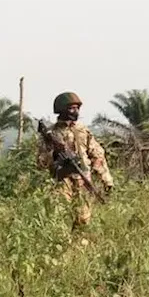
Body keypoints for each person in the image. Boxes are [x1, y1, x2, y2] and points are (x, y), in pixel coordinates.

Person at [37, 92, 114, 228]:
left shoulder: (83, 131)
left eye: (77, 108)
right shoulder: (52, 133)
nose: (75, 111)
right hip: (61, 180)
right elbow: (41, 161)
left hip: (83, 178)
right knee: (59, 215)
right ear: (62, 110)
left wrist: (105, 178)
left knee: (83, 218)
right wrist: (54, 153)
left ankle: (79, 245)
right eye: (72, 108)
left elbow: (97, 154)